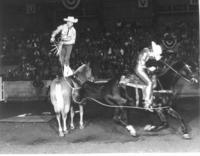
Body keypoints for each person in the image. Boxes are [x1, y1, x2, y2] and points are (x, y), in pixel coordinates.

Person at [135, 41, 162, 110]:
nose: (153, 57)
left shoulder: (147, 52)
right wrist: (149, 68)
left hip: (141, 68)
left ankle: (149, 97)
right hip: (139, 69)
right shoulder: (145, 52)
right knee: (149, 83)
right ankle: (146, 102)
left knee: (152, 81)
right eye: (154, 55)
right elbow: (141, 63)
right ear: (152, 51)